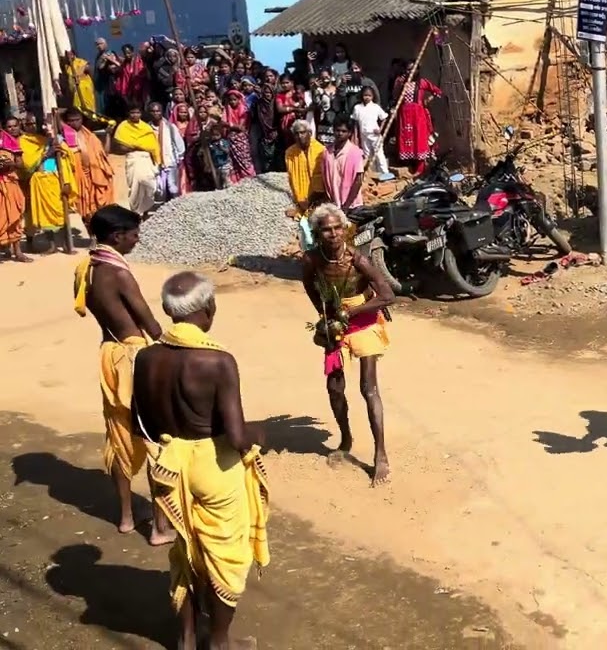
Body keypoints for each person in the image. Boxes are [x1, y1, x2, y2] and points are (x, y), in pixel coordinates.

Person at [133, 271, 270, 650]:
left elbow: (140, 423)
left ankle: (187, 637)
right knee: (225, 557)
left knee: (185, 551)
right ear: (209, 308)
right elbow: (237, 437)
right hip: (215, 469)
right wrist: (261, 434)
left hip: (169, 466)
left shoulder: (145, 358)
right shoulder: (217, 361)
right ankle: (219, 642)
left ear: (169, 311)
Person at [70, 204, 171, 542]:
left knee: (118, 436)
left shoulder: (87, 268)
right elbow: (150, 324)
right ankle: (160, 527)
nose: (137, 240)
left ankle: (127, 517)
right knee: (155, 438)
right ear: (117, 236)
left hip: (109, 354)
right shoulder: (120, 273)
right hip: (133, 357)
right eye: (134, 235)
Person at [302, 204, 394, 485]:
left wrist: (352, 312)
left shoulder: (358, 260)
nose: (333, 234)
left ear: (345, 229)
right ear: (317, 233)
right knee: (334, 388)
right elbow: (310, 288)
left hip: (363, 321)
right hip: (336, 325)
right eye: (326, 230)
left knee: (369, 388)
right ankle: (345, 438)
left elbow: (388, 295)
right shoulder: (311, 260)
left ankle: (381, 454)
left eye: (337, 228)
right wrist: (326, 316)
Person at [20, 113, 77, 253]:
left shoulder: (57, 142)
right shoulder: (40, 143)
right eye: (44, 124)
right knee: (44, 215)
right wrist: (46, 154)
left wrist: (66, 182)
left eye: (47, 125)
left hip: (55, 181)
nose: (44, 127)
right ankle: (52, 245)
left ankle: (66, 244)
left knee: (62, 212)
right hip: (41, 182)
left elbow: (67, 163)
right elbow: (29, 165)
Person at [112, 104, 160, 215]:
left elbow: (153, 146)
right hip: (133, 158)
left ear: (141, 114)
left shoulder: (146, 128)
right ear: (128, 114)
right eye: (132, 113)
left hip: (146, 159)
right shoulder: (123, 127)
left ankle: (146, 211)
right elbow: (120, 147)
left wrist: (156, 160)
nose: (135, 115)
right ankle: (136, 213)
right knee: (135, 187)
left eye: (137, 113)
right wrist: (137, 146)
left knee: (149, 185)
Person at [397, 72, 442, 176]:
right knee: (406, 138)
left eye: (411, 69)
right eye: (407, 69)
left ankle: (420, 167)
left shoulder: (422, 82)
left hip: (417, 114)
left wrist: (428, 99)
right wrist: (399, 83)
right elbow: (396, 95)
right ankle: (409, 164)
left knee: (419, 138)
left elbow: (437, 91)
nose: (409, 71)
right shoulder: (402, 82)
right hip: (404, 115)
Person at [0, 116, 28, 261]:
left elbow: (20, 164)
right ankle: (5, 248)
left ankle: (18, 252)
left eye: (14, 126)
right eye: (8, 126)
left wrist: (10, 164)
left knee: (15, 216)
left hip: (10, 182)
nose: (11, 129)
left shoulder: (11, 142)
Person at [285, 120, 327, 213]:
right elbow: (292, 179)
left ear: (310, 133)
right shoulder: (290, 153)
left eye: (302, 132)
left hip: (320, 199)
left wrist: (312, 200)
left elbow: (323, 180)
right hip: (300, 199)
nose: (300, 136)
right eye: (296, 134)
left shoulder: (321, 150)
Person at [147, 101, 185, 202]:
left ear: (162, 112)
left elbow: (179, 144)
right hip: (154, 164)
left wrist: (179, 158)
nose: (155, 113)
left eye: (158, 111)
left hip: (170, 162)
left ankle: (177, 207)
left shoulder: (170, 127)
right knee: (159, 191)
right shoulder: (146, 128)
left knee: (173, 188)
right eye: (153, 111)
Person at [351, 86, 391, 182]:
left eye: (369, 95)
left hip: (374, 135)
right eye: (365, 95)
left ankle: (385, 173)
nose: (367, 97)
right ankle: (372, 172)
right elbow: (355, 123)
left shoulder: (376, 107)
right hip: (363, 135)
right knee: (367, 154)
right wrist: (355, 136)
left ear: (373, 96)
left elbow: (384, 118)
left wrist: (380, 129)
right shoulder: (357, 108)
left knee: (379, 154)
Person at [324, 119, 365, 209]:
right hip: (334, 203)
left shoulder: (355, 153)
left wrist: (346, 205)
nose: (340, 133)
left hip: (351, 205)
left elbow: (358, 181)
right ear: (333, 131)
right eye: (337, 130)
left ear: (349, 133)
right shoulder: (327, 152)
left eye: (344, 131)